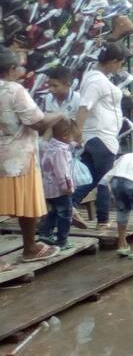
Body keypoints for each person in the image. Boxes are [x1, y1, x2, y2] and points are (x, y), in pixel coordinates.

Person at [0, 48, 63, 262]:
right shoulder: (13, 90)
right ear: (10, 69)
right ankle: (30, 248)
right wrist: (59, 115)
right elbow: (37, 122)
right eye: (19, 66)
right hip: (17, 159)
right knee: (28, 204)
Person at [71, 42, 126, 230]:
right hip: (99, 138)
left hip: (100, 138)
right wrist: (77, 133)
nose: (121, 67)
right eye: (120, 63)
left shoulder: (99, 78)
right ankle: (103, 220)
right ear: (112, 61)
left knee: (91, 178)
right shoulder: (96, 81)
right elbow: (84, 106)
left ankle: (68, 206)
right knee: (105, 180)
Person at [38, 118, 76, 250]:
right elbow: (62, 171)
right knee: (65, 214)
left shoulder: (50, 146)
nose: (73, 139)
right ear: (65, 135)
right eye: (72, 135)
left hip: (49, 188)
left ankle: (45, 233)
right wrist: (68, 187)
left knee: (54, 211)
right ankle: (62, 240)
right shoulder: (60, 151)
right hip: (60, 189)